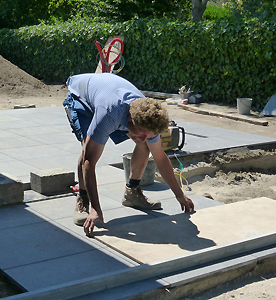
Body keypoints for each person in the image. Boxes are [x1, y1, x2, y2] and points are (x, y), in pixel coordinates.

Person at [63, 73, 195, 236]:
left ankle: (132, 193)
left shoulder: (148, 120)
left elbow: (160, 157)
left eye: (148, 135)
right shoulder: (110, 114)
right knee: (87, 150)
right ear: (131, 120)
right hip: (80, 98)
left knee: (145, 145)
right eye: (142, 133)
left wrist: (179, 194)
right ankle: (83, 199)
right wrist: (95, 209)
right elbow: (89, 162)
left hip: (108, 96)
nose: (145, 138)